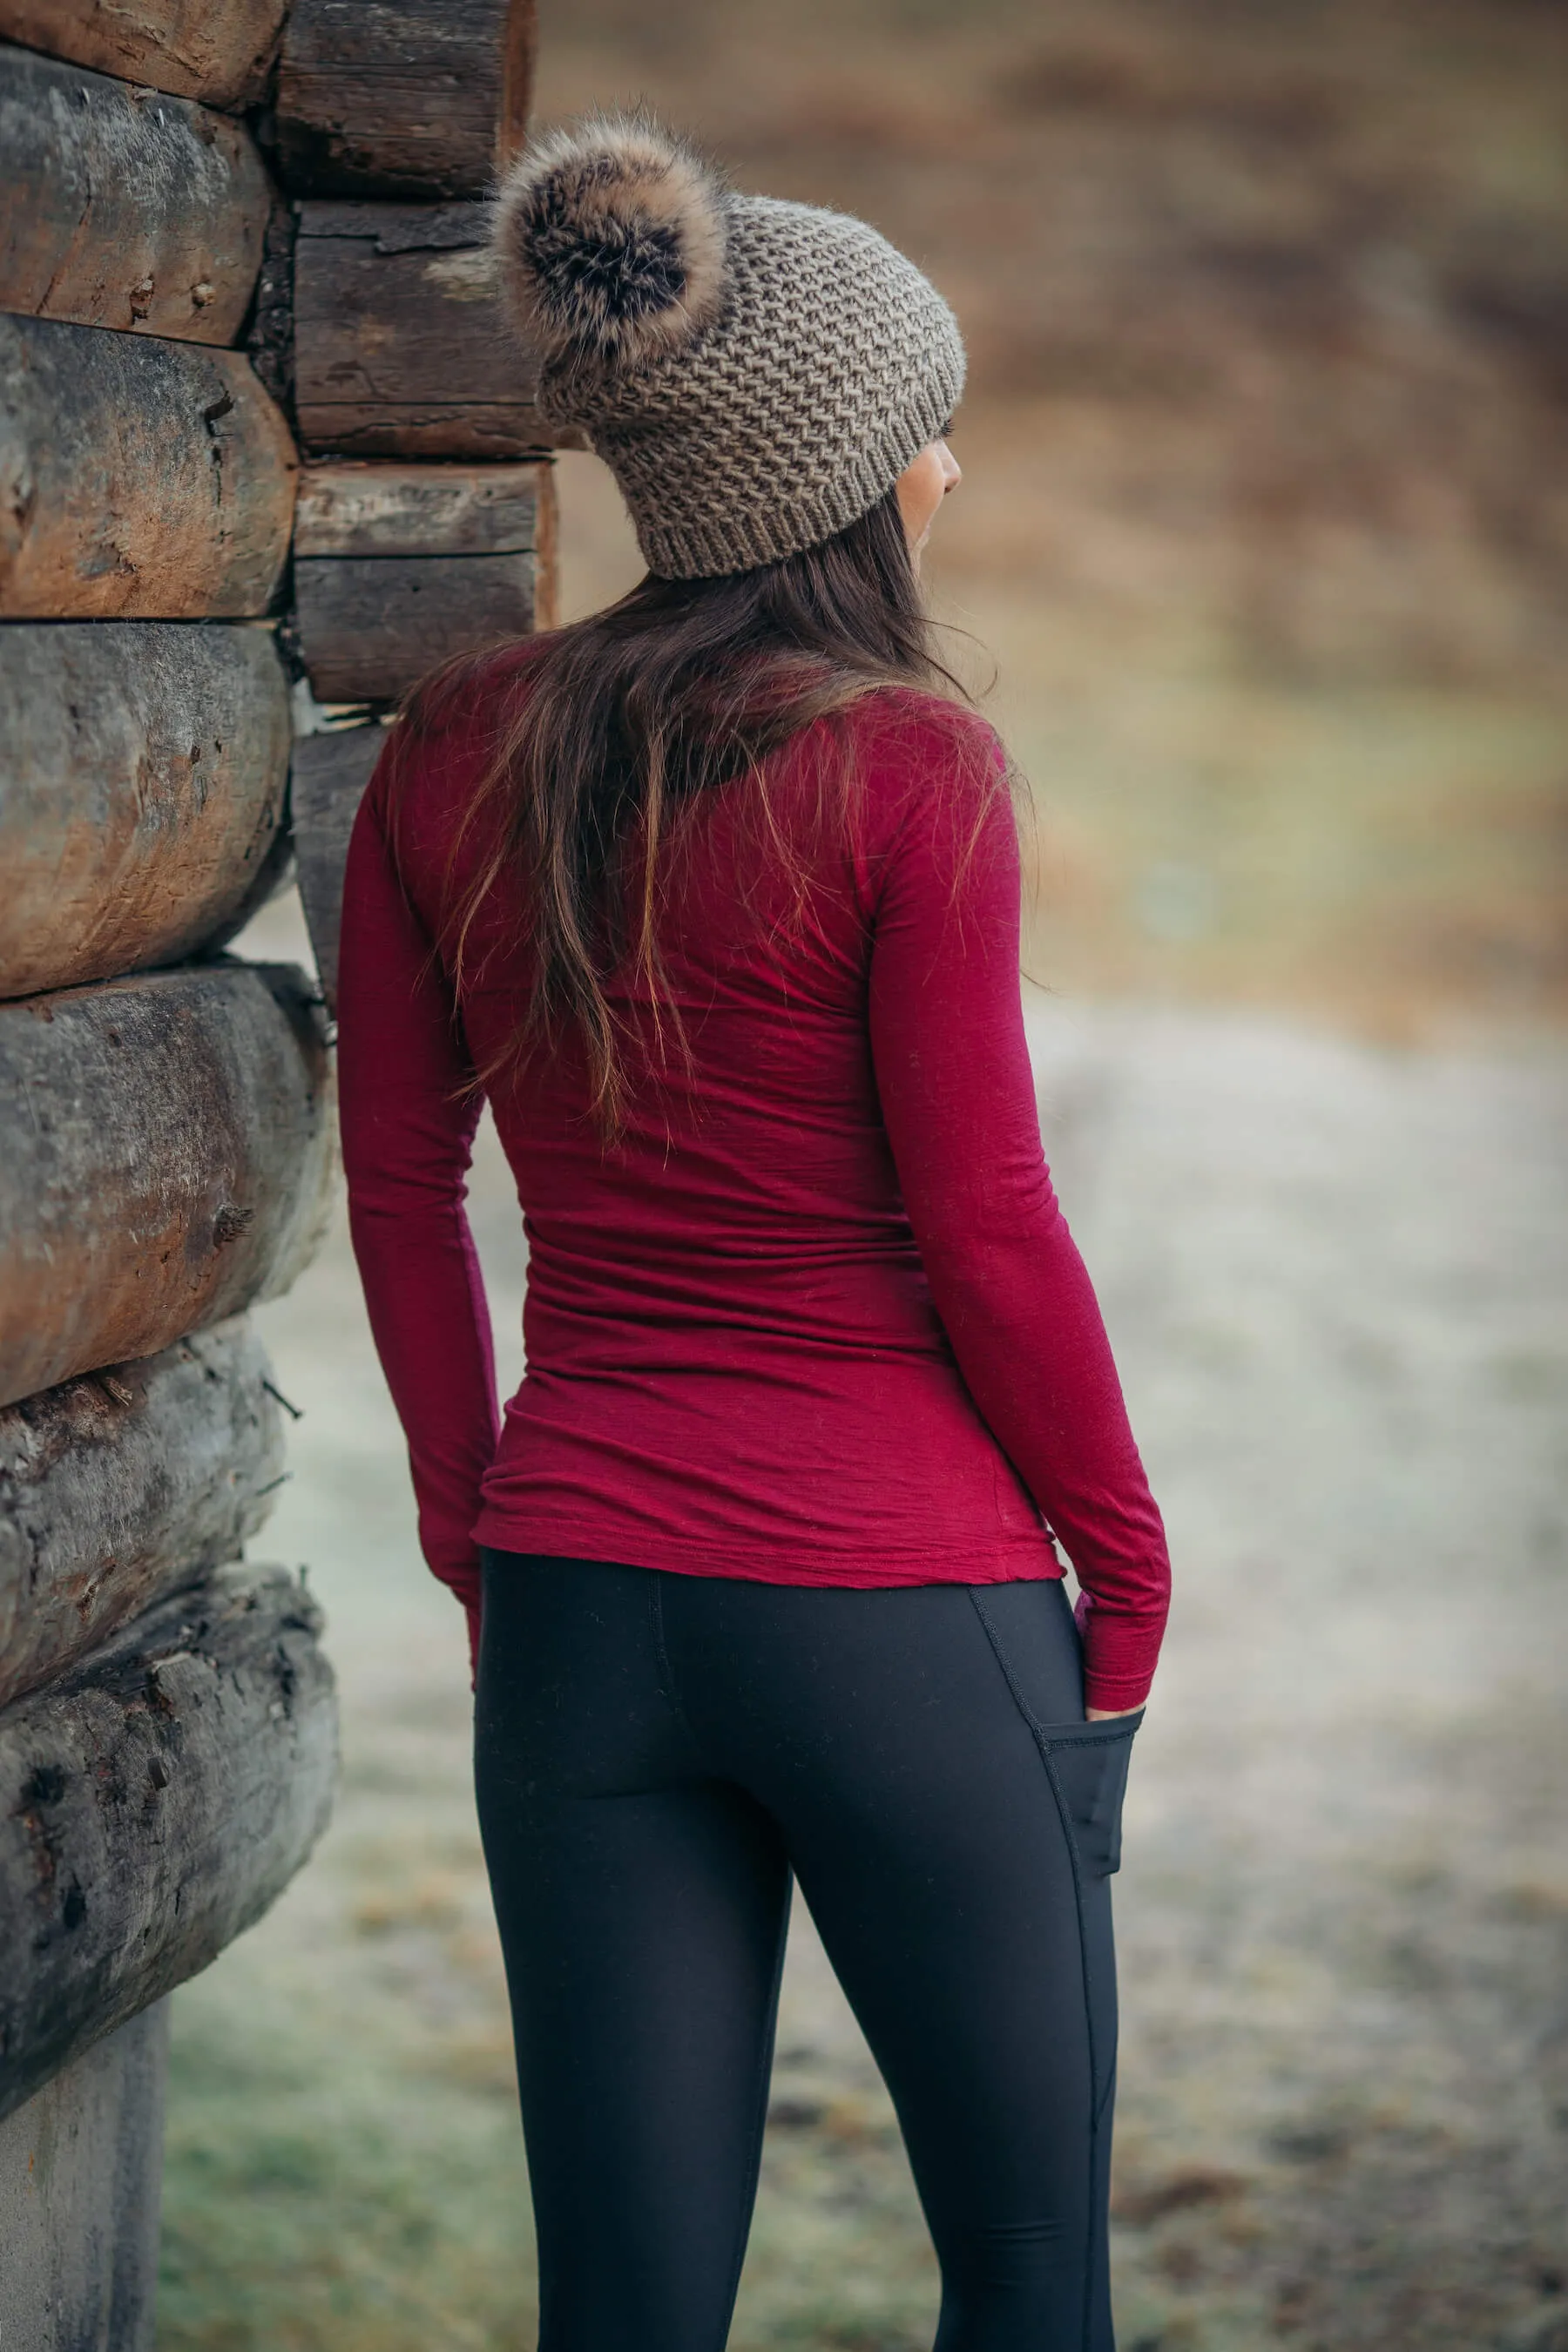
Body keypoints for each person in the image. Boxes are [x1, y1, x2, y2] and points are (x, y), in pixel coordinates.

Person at [336, 113, 1171, 2352]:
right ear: (840, 473)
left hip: (586, 1606)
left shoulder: (453, 746)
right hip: (908, 1616)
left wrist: (478, 1516)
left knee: (619, 2311)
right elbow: (989, 1227)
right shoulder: (911, 764)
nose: (954, 474)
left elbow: (401, 1189)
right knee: (1023, 2285)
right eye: (930, 430)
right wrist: (1131, 1557)